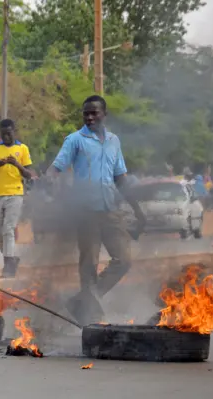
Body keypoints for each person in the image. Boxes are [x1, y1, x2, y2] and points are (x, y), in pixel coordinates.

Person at [47, 95, 146, 325]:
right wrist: (49, 178)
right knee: (89, 264)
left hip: (111, 210)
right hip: (85, 212)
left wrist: (138, 211)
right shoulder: (75, 140)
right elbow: (56, 166)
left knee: (124, 259)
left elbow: (121, 178)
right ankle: (91, 311)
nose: (89, 117)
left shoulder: (114, 141)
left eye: (94, 113)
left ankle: (84, 301)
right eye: (86, 114)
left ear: (104, 114)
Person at [0, 119, 33, 278]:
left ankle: (8, 266)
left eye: (9, 133)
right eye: (3, 133)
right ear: (0, 133)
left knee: (8, 229)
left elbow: (28, 174)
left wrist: (16, 164)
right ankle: (11, 258)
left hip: (16, 193)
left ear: (14, 131)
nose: (6, 136)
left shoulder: (22, 148)